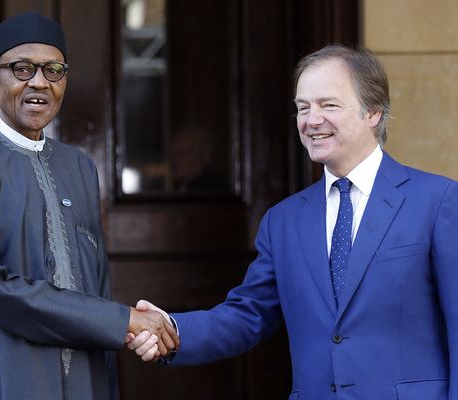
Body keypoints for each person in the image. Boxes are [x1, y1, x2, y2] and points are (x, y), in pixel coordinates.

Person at [128, 44, 458, 399]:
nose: (311, 120)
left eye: (328, 104)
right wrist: (171, 329)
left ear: (373, 112)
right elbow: (247, 315)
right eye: (303, 107)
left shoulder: (437, 201)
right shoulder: (283, 221)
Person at [0, 12, 177, 400]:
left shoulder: (80, 168)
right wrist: (123, 321)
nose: (39, 82)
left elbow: (96, 289)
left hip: (86, 379)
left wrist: (127, 327)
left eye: (53, 70)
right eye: (22, 69)